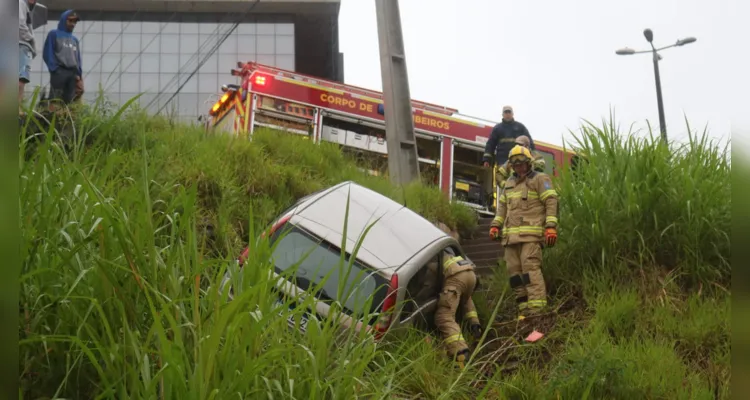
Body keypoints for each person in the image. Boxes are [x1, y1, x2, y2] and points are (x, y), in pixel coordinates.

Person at [489, 145, 558, 319]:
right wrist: (495, 225)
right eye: (515, 164)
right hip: (510, 239)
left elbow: (551, 200)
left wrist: (550, 226)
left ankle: (537, 313)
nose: (518, 166)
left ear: (529, 163)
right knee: (515, 275)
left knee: (530, 271)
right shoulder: (509, 184)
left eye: (521, 163)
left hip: (531, 237)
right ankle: (524, 311)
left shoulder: (540, 179)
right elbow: (502, 208)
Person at [431, 246, 482, 368]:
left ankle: (461, 353)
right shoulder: (445, 251)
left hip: (456, 278)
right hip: (470, 273)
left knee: (443, 316)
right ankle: (475, 326)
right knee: (464, 298)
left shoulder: (429, 259)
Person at [43, 10, 83, 105]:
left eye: (75, 22)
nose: (73, 24)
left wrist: (79, 74)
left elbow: (78, 59)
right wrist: (55, 69)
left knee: (69, 101)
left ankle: (65, 119)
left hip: (73, 74)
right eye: (70, 21)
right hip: (59, 71)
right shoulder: (54, 34)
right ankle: (51, 118)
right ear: (63, 20)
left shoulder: (75, 40)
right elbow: (47, 53)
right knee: (55, 99)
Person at [19, 0, 38, 110]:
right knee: (21, 80)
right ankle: (17, 109)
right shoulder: (20, 3)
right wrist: (31, 39)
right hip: (21, 45)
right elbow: (20, 25)